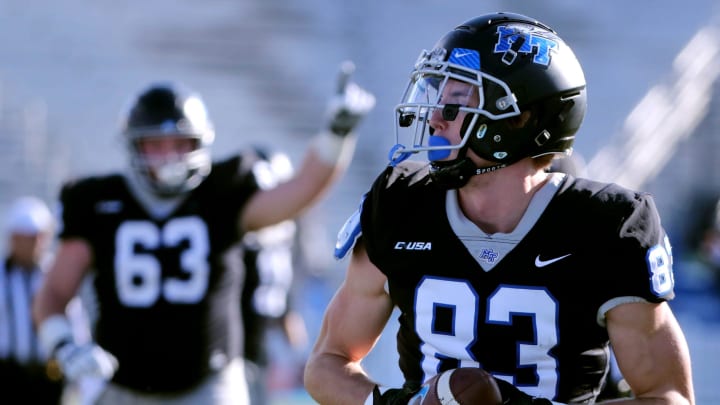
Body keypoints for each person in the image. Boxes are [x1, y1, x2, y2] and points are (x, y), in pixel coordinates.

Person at [304, 12, 695, 405]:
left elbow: (669, 396)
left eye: (456, 102)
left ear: (518, 120)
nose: (436, 118)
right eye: (438, 96)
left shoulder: (606, 225)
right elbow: (327, 362)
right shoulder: (401, 202)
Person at [33, 61, 375, 405]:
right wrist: (63, 344)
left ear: (199, 142)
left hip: (209, 385)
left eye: (179, 143)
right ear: (134, 146)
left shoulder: (221, 193)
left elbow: (301, 190)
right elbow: (54, 293)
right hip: (121, 385)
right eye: (156, 144)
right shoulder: (98, 201)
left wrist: (336, 134)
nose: (169, 157)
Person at [240, 145, 309, 404]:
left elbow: (287, 304)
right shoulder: (233, 227)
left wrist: (300, 354)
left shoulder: (291, 232)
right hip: (233, 338)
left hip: (263, 339)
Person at [0, 196, 63, 404]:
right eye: (30, 237)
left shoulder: (56, 272)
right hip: (8, 373)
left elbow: (73, 317)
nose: (37, 243)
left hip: (48, 374)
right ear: (14, 238)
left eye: (41, 236)